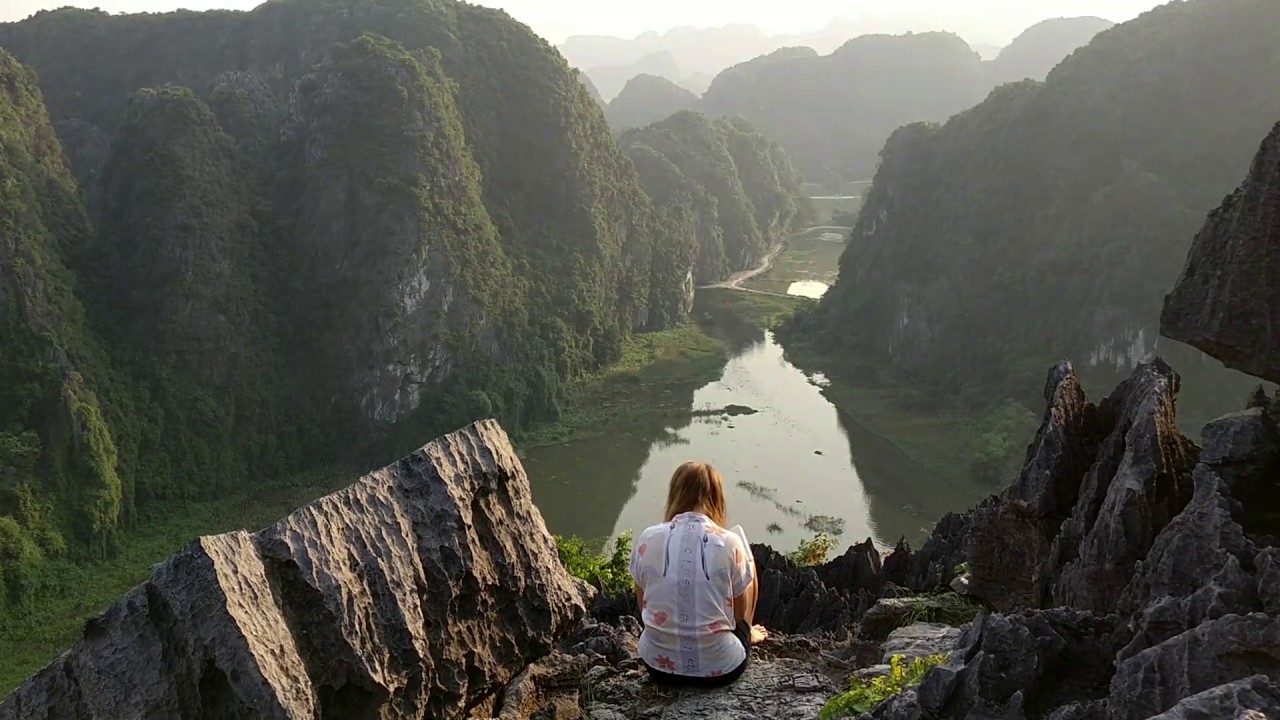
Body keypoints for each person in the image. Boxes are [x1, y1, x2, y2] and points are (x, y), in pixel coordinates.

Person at [628, 461, 768, 686]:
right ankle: (748, 635)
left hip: (657, 664)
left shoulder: (648, 537)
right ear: (717, 498)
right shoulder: (730, 542)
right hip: (721, 668)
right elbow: (738, 615)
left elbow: (643, 604)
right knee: (746, 560)